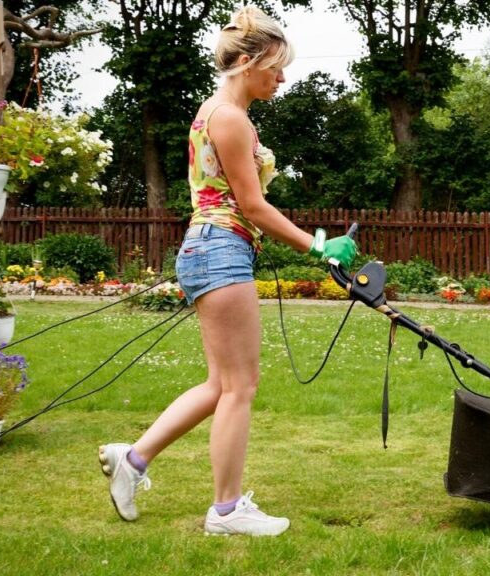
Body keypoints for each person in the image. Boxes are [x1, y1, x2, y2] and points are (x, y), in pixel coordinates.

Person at [97, 5, 357, 537]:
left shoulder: (219, 112)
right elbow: (254, 205)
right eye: (277, 66)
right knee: (241, 386)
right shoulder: (230, 118)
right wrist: (321, 246)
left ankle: (135, 459)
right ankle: (226, 511)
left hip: (212, 247)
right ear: (248, 61)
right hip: (220, 247)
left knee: (222, 384)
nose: (282, 77)